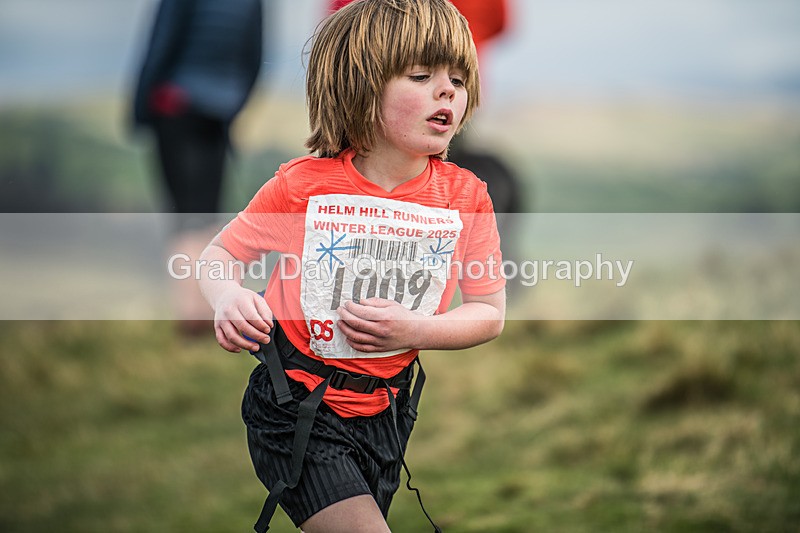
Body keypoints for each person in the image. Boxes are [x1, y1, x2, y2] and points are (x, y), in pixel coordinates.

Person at [199, 1, 506, 531]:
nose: (447, 90)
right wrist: (228, 298)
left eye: (458, 77)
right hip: (293, 409)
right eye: (420, 75)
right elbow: (217, 257)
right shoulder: (303, 187)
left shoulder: (467, 197)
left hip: (388, 416)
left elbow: (488, 311)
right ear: (361, 86)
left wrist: (416, 330)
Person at [132, 0, 263, 334]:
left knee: (184, 216)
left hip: (176, 106)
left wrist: (141, 108)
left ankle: (191, 318)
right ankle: (209, 309)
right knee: (207, 214)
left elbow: (161, 44)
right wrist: (233, 104)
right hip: (219, 112)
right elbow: (254, 56)